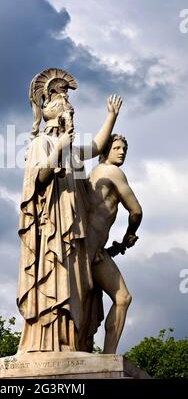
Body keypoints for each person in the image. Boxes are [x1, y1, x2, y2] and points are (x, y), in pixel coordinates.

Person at [17, 68, 122, 353]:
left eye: (73, 116)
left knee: (77, 287)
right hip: (51, 229)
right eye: (68, 115)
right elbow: (39, 179)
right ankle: (48, 341)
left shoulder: (74, 151)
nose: (72, 121)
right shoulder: (43, 143)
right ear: (55, 116)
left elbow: (99, 145)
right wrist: (58, 149)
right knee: (53, 279)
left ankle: (72, 341)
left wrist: (111, 115)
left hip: (74, 230)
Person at [85, 134, 142, 353]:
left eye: (124, 149)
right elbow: (136, 211)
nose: (122, 152)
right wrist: (130, 232)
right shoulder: (112, 172)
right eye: (117, 147)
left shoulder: (94, 174)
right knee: (123, 298)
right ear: (105, 151)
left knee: (82, 303)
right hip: (93, 252)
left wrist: (113, 248)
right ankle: (109, 356)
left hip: (92, 250)